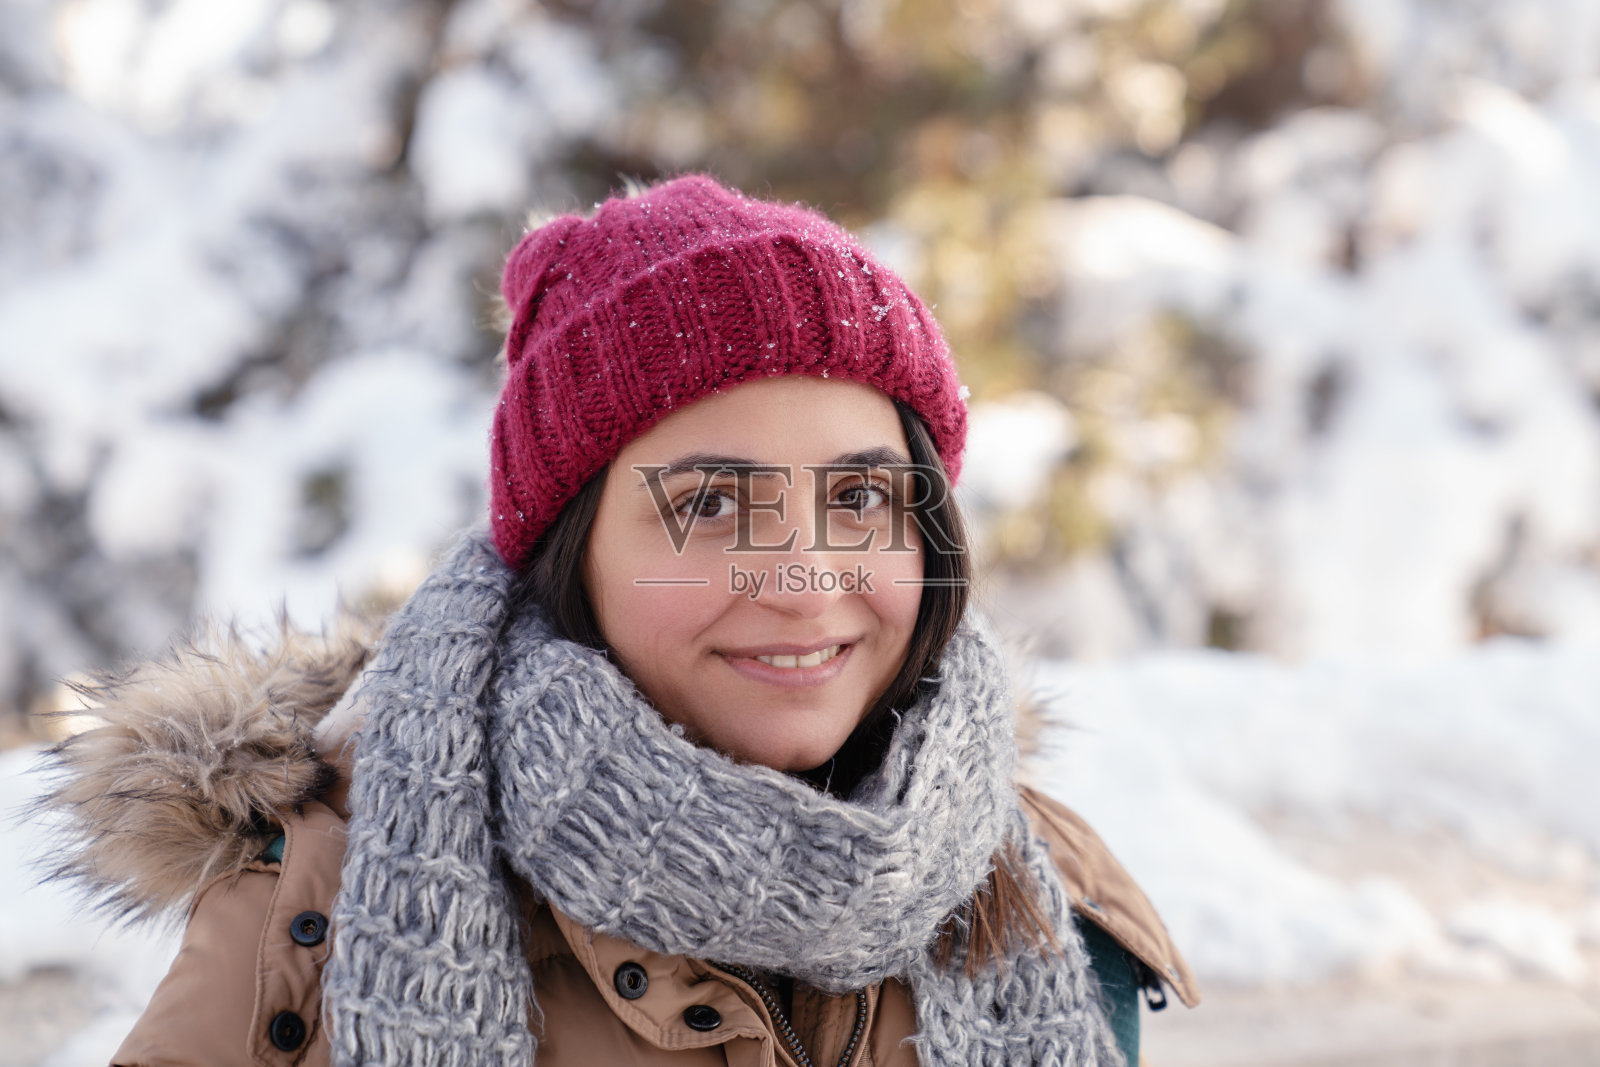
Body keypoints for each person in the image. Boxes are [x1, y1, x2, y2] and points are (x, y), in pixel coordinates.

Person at [41, 175, 1197, 1067]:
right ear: (569, 552)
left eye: (856, 497)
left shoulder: (1036, 885)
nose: (802, 577)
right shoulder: (321, 901)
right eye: (705, 503)